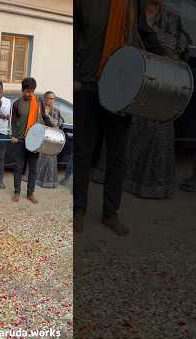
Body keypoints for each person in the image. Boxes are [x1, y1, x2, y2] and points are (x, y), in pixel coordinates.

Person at [93, 0, 192, 200]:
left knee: (159, 132)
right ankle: (115, 180)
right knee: (124, 131)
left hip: (161, 85)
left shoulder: (172, 17)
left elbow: (185, 46)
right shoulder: (130, 10)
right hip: (131, 80)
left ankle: (150, 186)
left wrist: (174, 47)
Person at [74, 0, 142, 236]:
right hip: (89, 84)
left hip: (122, 89)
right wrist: (75, 77)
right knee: (83, 152)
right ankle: (78, 211)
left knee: (117, 155)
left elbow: (145, 34)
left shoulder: (132, 3)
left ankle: (110, 213)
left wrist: (168, 58)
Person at [11, 77, 41, 203]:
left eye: (32, 91)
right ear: (23, 90)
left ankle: (30, 193)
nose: (30, 94)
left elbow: (43, 117)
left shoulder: (37, 102)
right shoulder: (17, 104)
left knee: (33, 168)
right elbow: (13, 122)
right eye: (28, 91)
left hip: (34, 140)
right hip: (20, 140)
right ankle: (17, 192)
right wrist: (13, 135)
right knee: (18, 167)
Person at [24, 91, 64, 188]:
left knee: (50, 159)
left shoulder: (56, 111)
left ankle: (47, 182)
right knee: (37, 158)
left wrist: (57, 126)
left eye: (53, 99)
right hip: (40, 138)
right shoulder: (39, 110)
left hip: (52, 139)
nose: (51, 100)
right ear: (45, 99)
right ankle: (33, 179)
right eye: (49, 98)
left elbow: (60, 123)